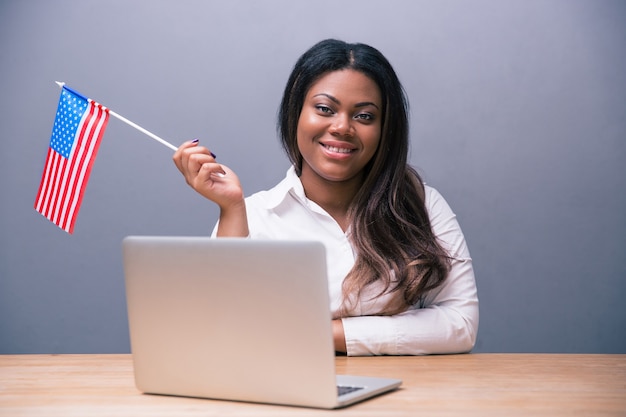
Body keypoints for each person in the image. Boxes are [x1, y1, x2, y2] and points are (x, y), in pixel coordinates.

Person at [173, 39, 479, 356]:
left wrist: (323, 333)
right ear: (295, 113)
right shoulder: (253, 215)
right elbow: (224, 329)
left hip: (406, 397)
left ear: (385, 128)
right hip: (286, 397)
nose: (342, 127)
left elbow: (460, 324)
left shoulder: (423, 206)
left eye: (364, 116)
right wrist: (231, 209)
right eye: (324, 109)